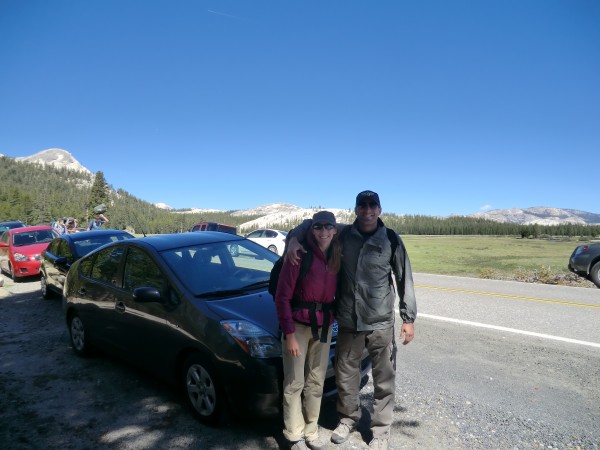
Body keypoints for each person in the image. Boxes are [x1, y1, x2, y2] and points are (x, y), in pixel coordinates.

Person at [285, 190, 417, 450]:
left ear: (379, 210)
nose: (367, 210)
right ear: (356, 209)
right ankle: (348, 419)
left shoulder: (391, 238)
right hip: (348, 321)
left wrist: (408, 317)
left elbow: (405, 279)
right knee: (346, 376)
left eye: (372, 205)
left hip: (380, 322)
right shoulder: (343, 234)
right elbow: (310, 226)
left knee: (384, 379)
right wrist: (291, 241)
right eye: (362, 205)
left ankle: (381, 432)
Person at [275, 211, 342, 450]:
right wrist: (290, 334)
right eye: (318, 227)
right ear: (311, 229)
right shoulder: (298, 254)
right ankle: (293, 433)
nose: (323, 232)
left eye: (328, 227)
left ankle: (311, 430)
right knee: (295, 382)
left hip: (323, 328)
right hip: (298, 327)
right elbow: (282, 298)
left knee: (316, 382)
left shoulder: (336, 254)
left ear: (335, 230)